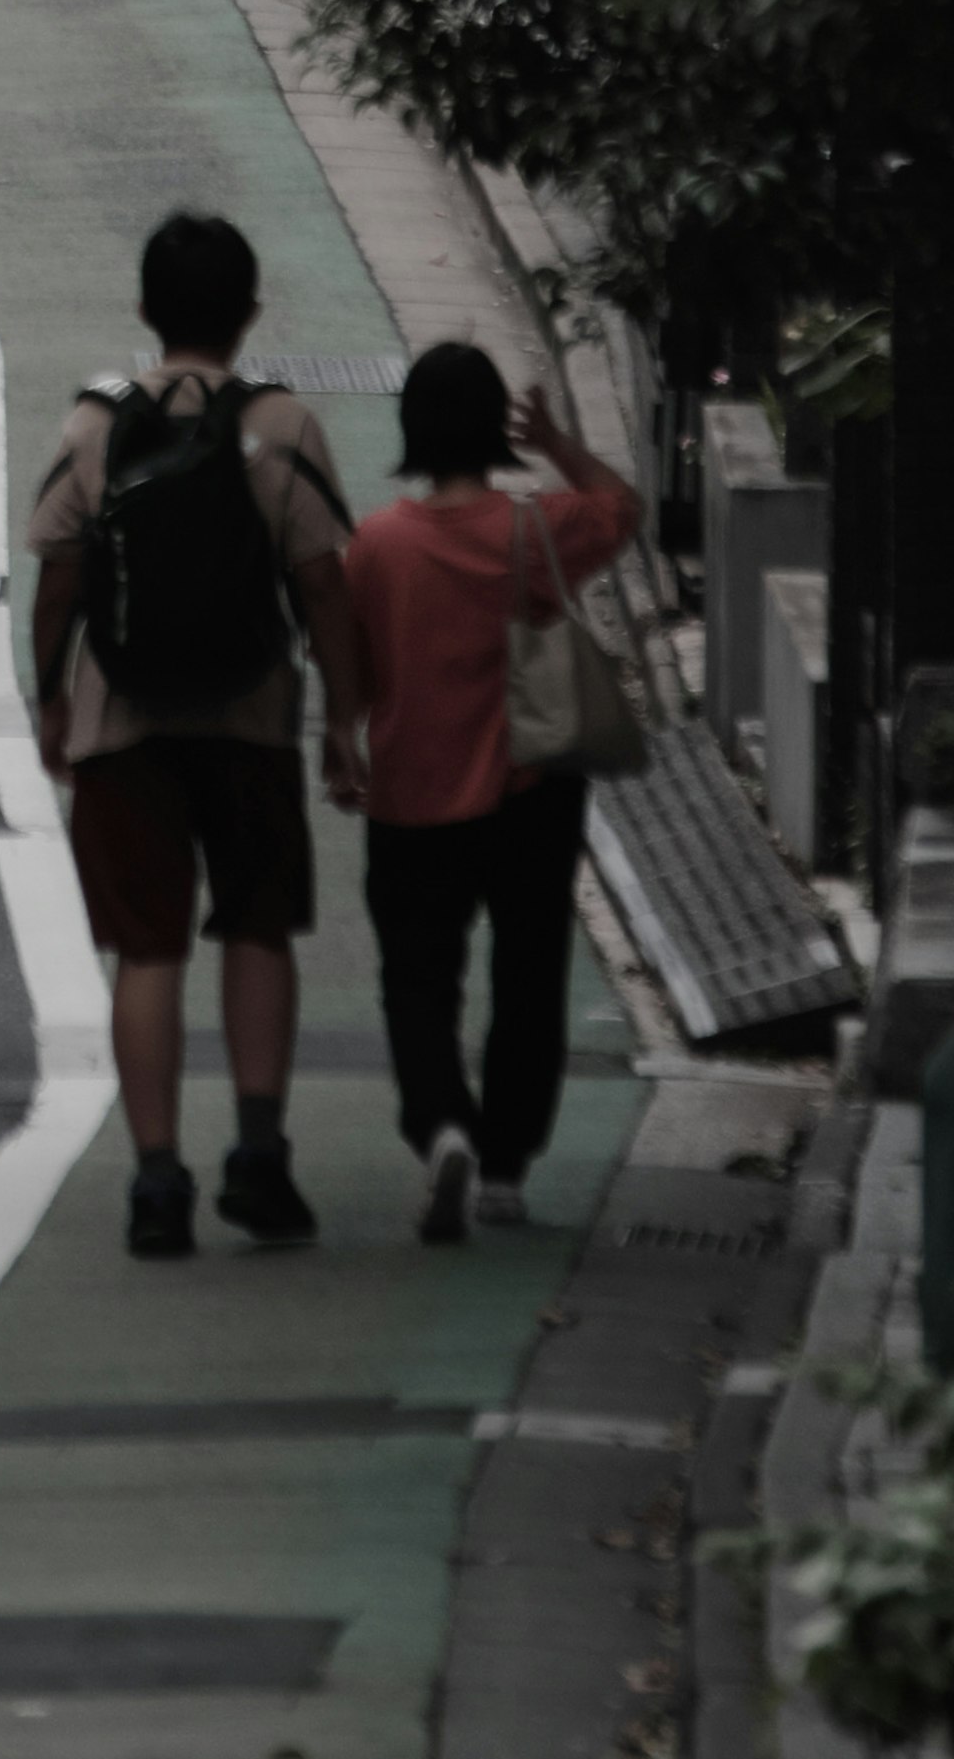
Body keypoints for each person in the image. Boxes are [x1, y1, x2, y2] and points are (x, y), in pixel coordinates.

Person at [29, 210, 366, 1260]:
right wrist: (344, 721)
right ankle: (259, 1155)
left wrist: (50, 696)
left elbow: (60, 577)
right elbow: (322, 584)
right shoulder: (284, 426)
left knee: (148, 944)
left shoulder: (95, 423)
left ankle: (158, 1174)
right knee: (257, 926)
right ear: (251, 313)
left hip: (121, 720)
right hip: (252, 711)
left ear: (145, 310)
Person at [340, 344, 642, 1243]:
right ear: (492, 434)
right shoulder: (536, 533)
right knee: (528, 974)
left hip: (413, 794)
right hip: (530, 791)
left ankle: (440, 1126)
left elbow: (354, 672)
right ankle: (507, 1167)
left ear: (411, 430)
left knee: (418, 979)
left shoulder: (377, 546)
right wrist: (557, 441)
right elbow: (624, 506)